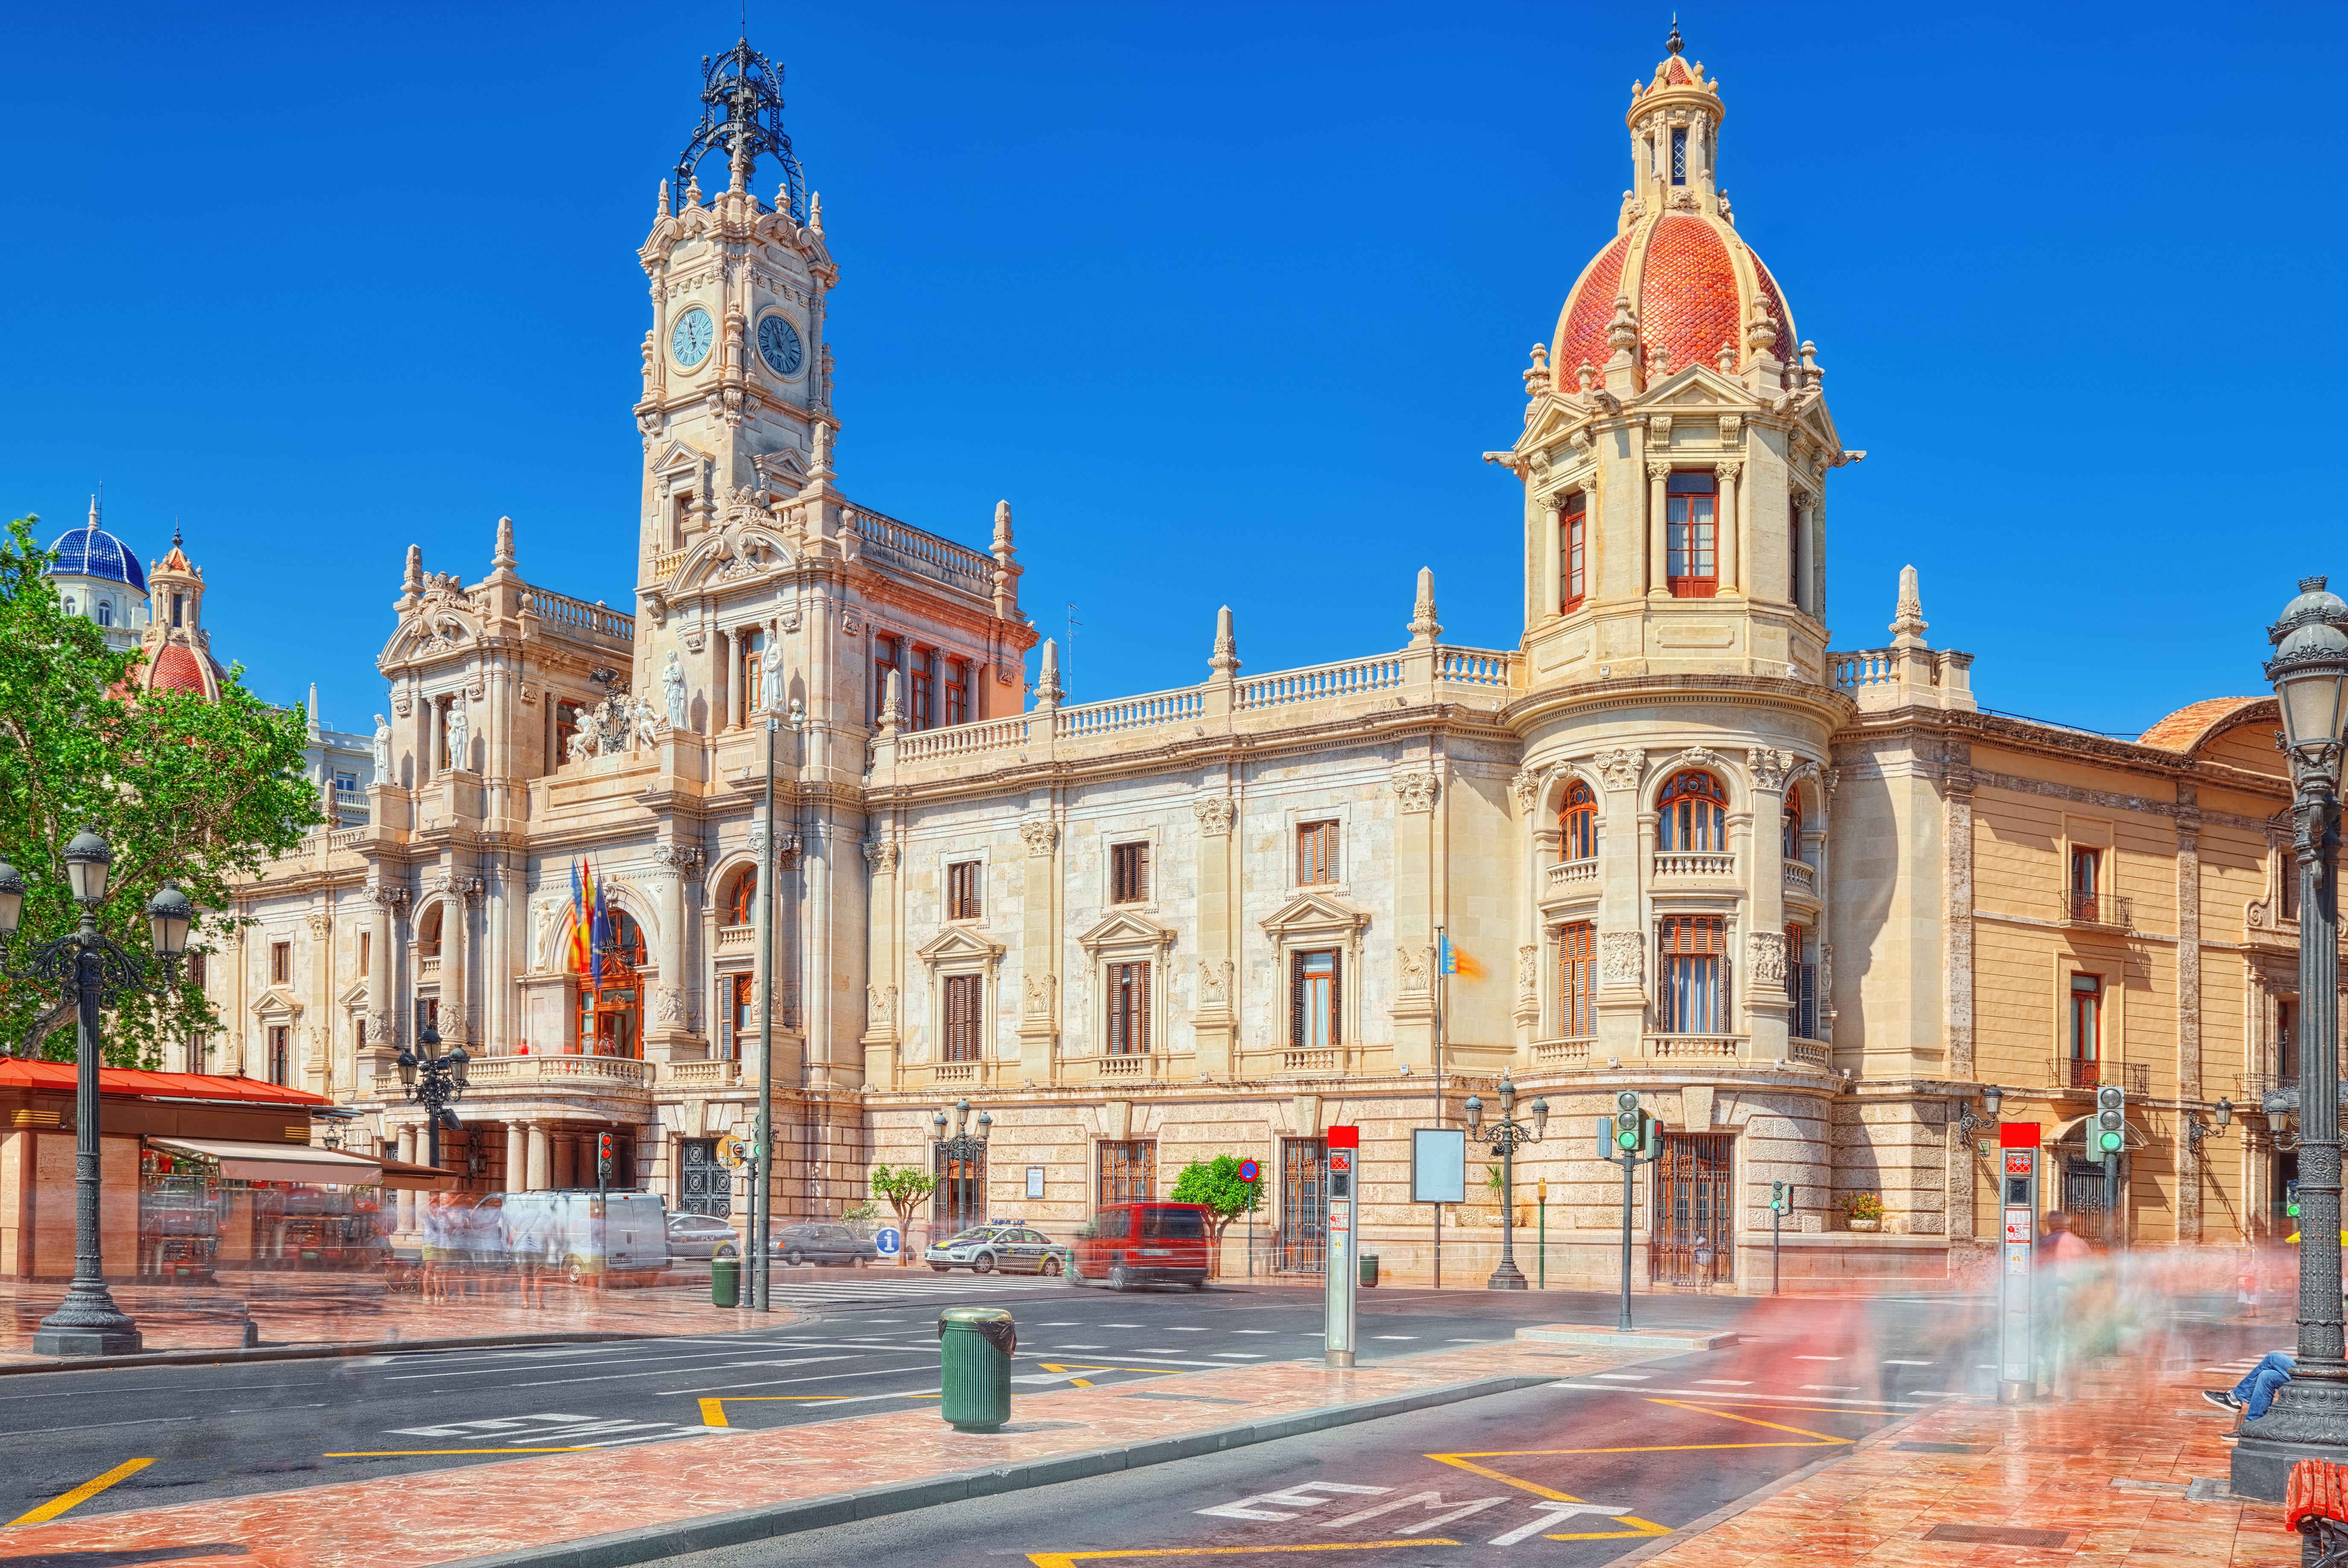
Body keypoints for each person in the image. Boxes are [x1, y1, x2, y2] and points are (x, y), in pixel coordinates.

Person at [2208, 1352, 2295, 1419]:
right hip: (2306, 1373)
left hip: (2308, 1379)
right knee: (2266, 1375)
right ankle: (2253, 1425)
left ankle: (2235, 1397)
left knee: (2273, 1358)